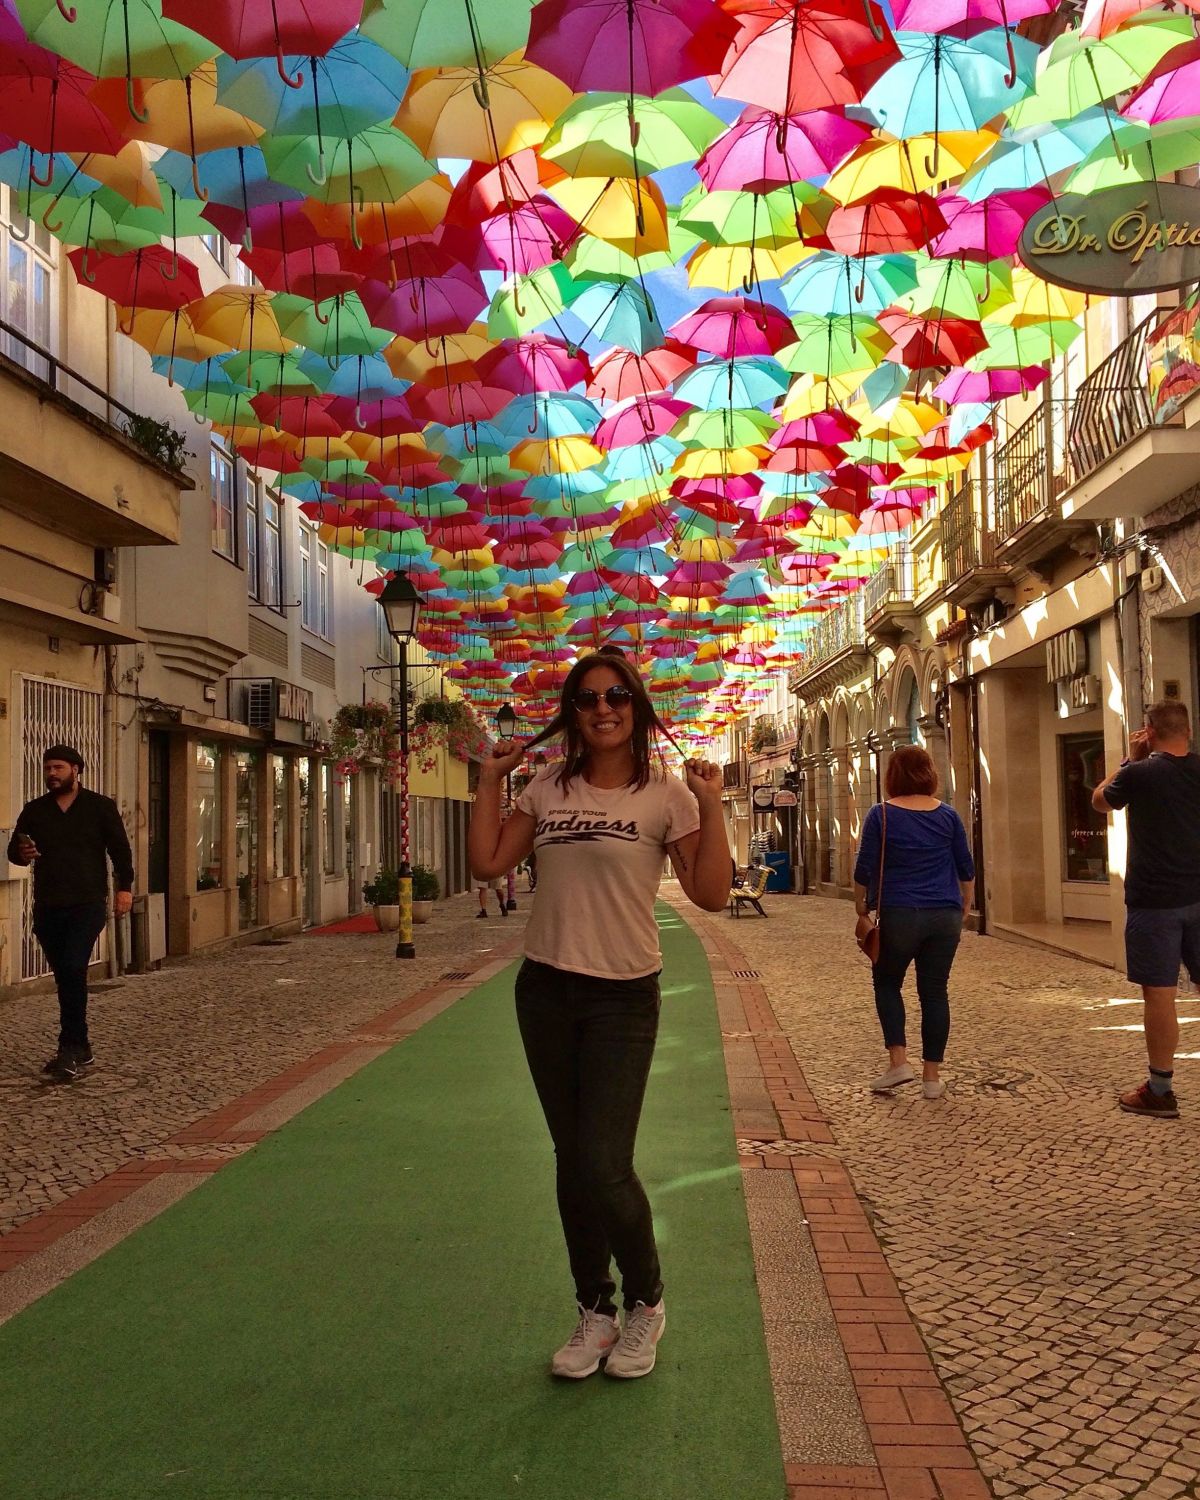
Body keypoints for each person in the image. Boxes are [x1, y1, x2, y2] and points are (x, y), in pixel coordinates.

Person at [467, 649, 731, 1381]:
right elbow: (489, 863)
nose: (603, 707)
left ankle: (647, 1300)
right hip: (546, 991)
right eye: (587, 699)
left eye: (617, 695)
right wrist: (490, 781)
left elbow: (711, 895)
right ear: (573, 712)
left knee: (602, 1161)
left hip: (622, 994)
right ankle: (596, 1310)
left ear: (637, 706)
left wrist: (712, 807)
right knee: (570, 1161)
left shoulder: (666, 795)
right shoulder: (548, 787)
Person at [1092, 700, 1200, 1120]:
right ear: (1187, 731)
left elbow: (1100, 800)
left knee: (1160, 994)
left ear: (1149, 733)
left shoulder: (1139, 773)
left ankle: (1160, 1090)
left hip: (1154, 902)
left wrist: (1126, 760)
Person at [853, 744, 975, 1100]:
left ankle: (898, 1063)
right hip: (945, 915)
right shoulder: (949, 815)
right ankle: (932, 1078)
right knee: (935, 992)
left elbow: (864, 867)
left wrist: (861, 906)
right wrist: (964, 904)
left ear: (893, 776)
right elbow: (965, 866)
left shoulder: (882, 815)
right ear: (930, 774)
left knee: (888, 983)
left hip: (901, 913)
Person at [6, 745, 134, 1080]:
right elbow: (14, 854)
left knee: (74, 966)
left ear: (76, 769)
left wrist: (125, 888)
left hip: (87, 902)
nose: (52, 773)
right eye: (48, 768)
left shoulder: (99, 807)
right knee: (66, 976)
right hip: (48, 904)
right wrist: (23, 852)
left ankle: (69, 1049)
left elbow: (120, 849)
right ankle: (82, 1046)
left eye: (58, 767)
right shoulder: (35, 810)